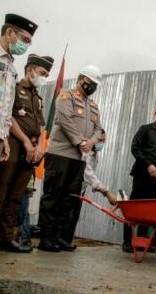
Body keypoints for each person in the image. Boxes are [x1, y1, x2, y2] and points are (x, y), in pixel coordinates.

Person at [38, 65, 103, 252]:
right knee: (53, 197)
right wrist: (79, 141)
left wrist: (90, 143)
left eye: (95, 85)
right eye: (90, 83)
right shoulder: (66, 97)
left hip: (80, 159)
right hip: (60, 154)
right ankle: (47, 239)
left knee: (70, 199)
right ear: (81, 78)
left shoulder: (93, 105)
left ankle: (61, 238)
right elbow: (65, 120)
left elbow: (99, 129)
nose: (92, 87)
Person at [0, 54, 53, 253]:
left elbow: (41, 125)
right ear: (30, 69)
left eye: (47, 74)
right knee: (2, 191)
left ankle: (6, 238)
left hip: (31, 152)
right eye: (42, 73)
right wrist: (24, 141)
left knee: (16, 196)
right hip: (14, 144)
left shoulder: (37, 97)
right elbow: (9, 116)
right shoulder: (14, 87)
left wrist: (39, 147)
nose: (44, 77)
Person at [122, 103, 156, 253]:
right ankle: (127, 242)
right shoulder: (145, 129)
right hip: (141, 175)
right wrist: (148, 165)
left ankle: (141, 241)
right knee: (133, 209)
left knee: (149, 211)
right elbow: (135, 148)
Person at [0, 14, 37, 163]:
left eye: (29, 42)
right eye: (25, 39)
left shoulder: (12, 69)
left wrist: (4, 138)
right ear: (9, 33)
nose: (26, 46)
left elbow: (6, 108)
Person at [81, 129, 117, 204]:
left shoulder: (95, 155)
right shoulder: (84, 150)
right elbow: (88, 174)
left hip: (80, 190)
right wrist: (107, 193)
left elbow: (91, 181)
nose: (101, 143)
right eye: (99, 140)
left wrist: (102, 191)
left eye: (103, 140)